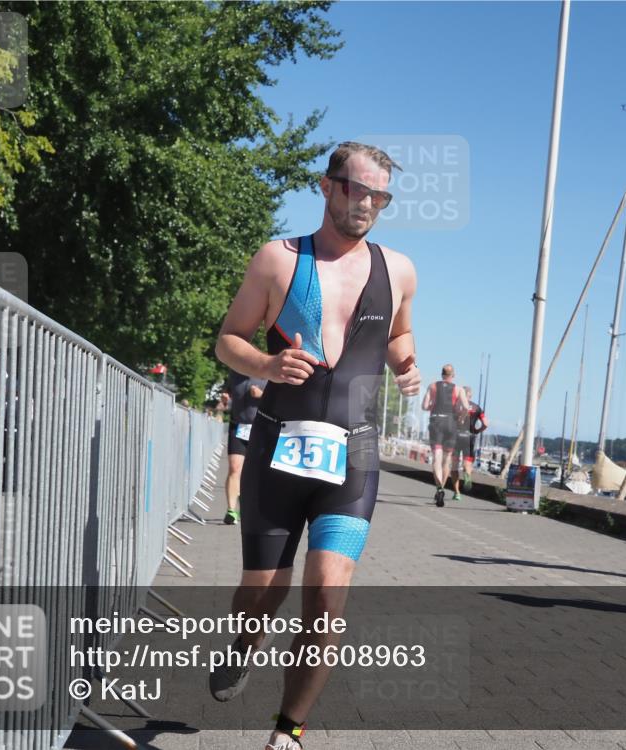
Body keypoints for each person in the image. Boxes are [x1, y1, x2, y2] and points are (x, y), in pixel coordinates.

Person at [211, 141, 420, 750]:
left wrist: (407, 366)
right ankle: (243, 644)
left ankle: (289, 731)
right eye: (357, 190)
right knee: (262, 592)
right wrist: (268, 364)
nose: (368, 205)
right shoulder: (278, 260)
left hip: (353, 457)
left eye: (380, 196)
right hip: (278, 450)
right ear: (326, 187)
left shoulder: (398, 270)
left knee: (327, 593)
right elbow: (228, 339)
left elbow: (401, 336)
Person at [222, 369, 267, 525]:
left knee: (256, 472)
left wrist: (262, 395)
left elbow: (281, 400)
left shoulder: (268, 373)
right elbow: (227, 392)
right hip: (238, 426)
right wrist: (225, 397)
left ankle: (249, 507)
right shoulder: (235, 373)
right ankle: (231, 510)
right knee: (234, 467)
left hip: (260, 428)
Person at [421, 365, 468, 506]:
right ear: (453, 375)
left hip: (436, 421)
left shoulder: (433, 386)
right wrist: (461, 418)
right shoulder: (459, 389)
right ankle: (442, 486)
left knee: (437, 458)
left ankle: (439, 488)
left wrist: (432, 407)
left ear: (442, 374)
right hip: (451, 423)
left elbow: (424, 406)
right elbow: (466, 407)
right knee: (447, 459)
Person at [451, 385, 488, 498]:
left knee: (454, 466)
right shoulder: (477, 408)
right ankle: (467, 474)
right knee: (467, 462)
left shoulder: (456, 406)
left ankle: (457, 493)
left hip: (457, 436)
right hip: (470, 437)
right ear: (470, 395)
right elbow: (486, 424)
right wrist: (477, 430)